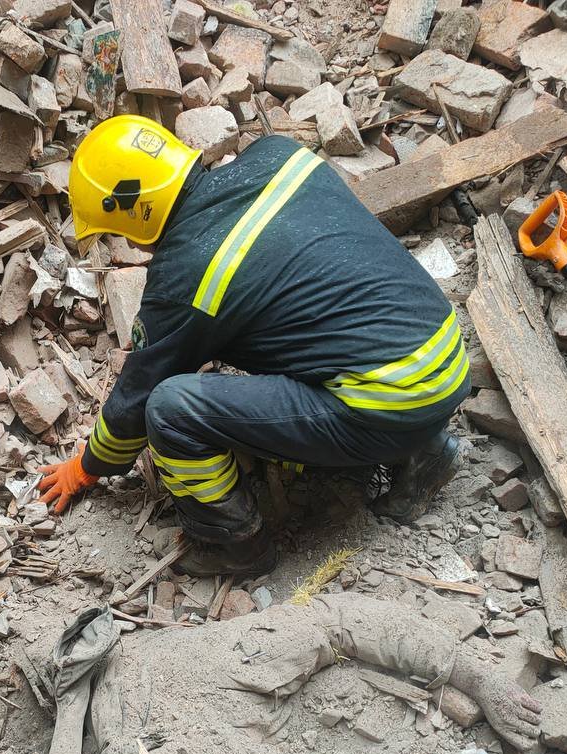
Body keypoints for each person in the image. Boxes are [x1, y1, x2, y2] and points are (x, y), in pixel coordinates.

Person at [39, 116, 469, 578]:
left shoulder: (189, 273)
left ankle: (237, 547)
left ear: (132, 212)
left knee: (171, 411)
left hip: (384, 400)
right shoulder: (277, 155)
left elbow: (138, 394)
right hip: (442, 352)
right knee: (319, 334)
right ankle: (423, 450)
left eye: (117, 230)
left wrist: (88, 466)